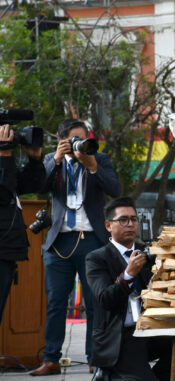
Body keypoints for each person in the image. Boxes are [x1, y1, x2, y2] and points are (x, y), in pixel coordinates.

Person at [31, 119, 121, 376]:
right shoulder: (52, 159)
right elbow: (38, 188)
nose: (81, 145)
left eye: (85, 138)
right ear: (63, 141)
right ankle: (51, 359)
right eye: (75, 140)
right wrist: (57, 160)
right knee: (56, 302)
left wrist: (92, 167)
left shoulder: (98, 159)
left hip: (92, 239)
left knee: (95, 302)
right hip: (60, 240)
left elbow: (115, 189)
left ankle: (96, 358)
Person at [86, 197, 175, 380]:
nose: (130, 224)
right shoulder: (97, 258)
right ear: (108, 226)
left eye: (134, 219)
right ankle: (108, 372)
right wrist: (128, 274)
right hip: (120, 337)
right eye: (123, 220)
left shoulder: (147, 251)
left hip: (149, 330)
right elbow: (105, 298)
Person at [0, 124, 45, 323]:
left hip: (6, 249)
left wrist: (34, 160)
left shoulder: (5, 162)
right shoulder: (4, 160)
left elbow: (31, 186)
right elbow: (3, 195)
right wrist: (4, 155)